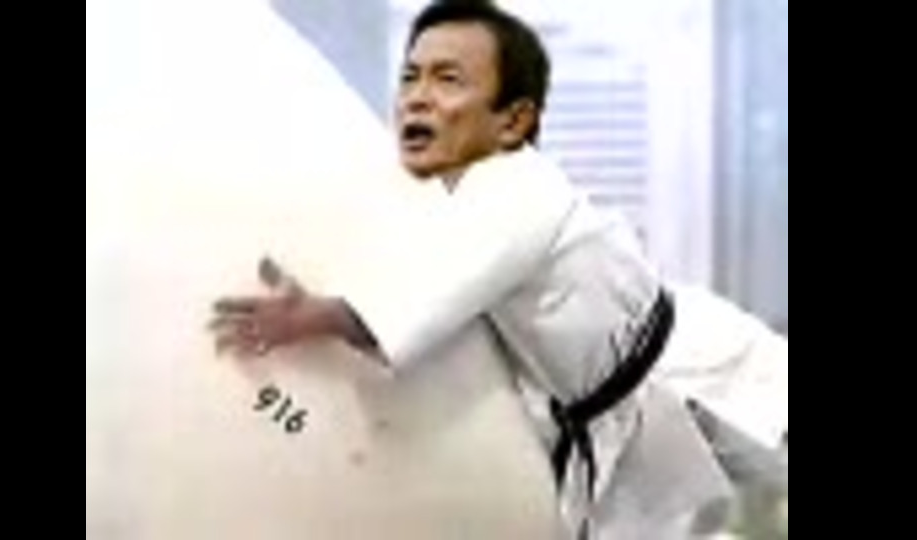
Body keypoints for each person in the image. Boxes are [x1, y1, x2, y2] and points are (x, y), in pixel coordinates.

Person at [209, 1, 787, 538]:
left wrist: (319, 316)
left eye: (447, 80)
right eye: (410, 77)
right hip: (617, 418)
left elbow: (419, 302)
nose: (418, 98)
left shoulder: (517, 187)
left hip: (701, 369)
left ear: (512, 122)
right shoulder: (450, 206)